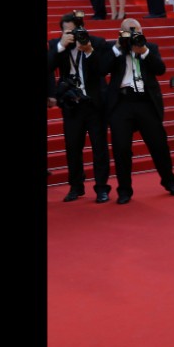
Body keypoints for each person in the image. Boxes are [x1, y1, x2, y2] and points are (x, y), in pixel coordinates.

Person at [99, 18, 174, 204]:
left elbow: (160, 69)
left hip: (146, 102)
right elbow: (101, 69)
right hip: (121, 103)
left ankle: (170, 182)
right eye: (128, 31)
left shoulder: (149, 47)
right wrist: (118, 48)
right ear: (120, 32)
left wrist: (143, 51)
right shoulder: (113, 48)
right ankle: (124, 190)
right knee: (121, 148)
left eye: (136, 31)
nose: (133, 35)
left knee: (159, 145)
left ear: (142, 31)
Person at [48, 12, 112, 204]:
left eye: (73, 30)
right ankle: (76, 186)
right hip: (71, 105)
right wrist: (61, 46)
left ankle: (102, 188)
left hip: (95, 104)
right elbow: (48, 66)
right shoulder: (56, 45)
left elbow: (103, 69)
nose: (71, 34)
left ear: (82, 28)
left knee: (99, 147)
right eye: (66, 31)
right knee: (72, 147)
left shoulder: (97, 43)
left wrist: (89, 50)